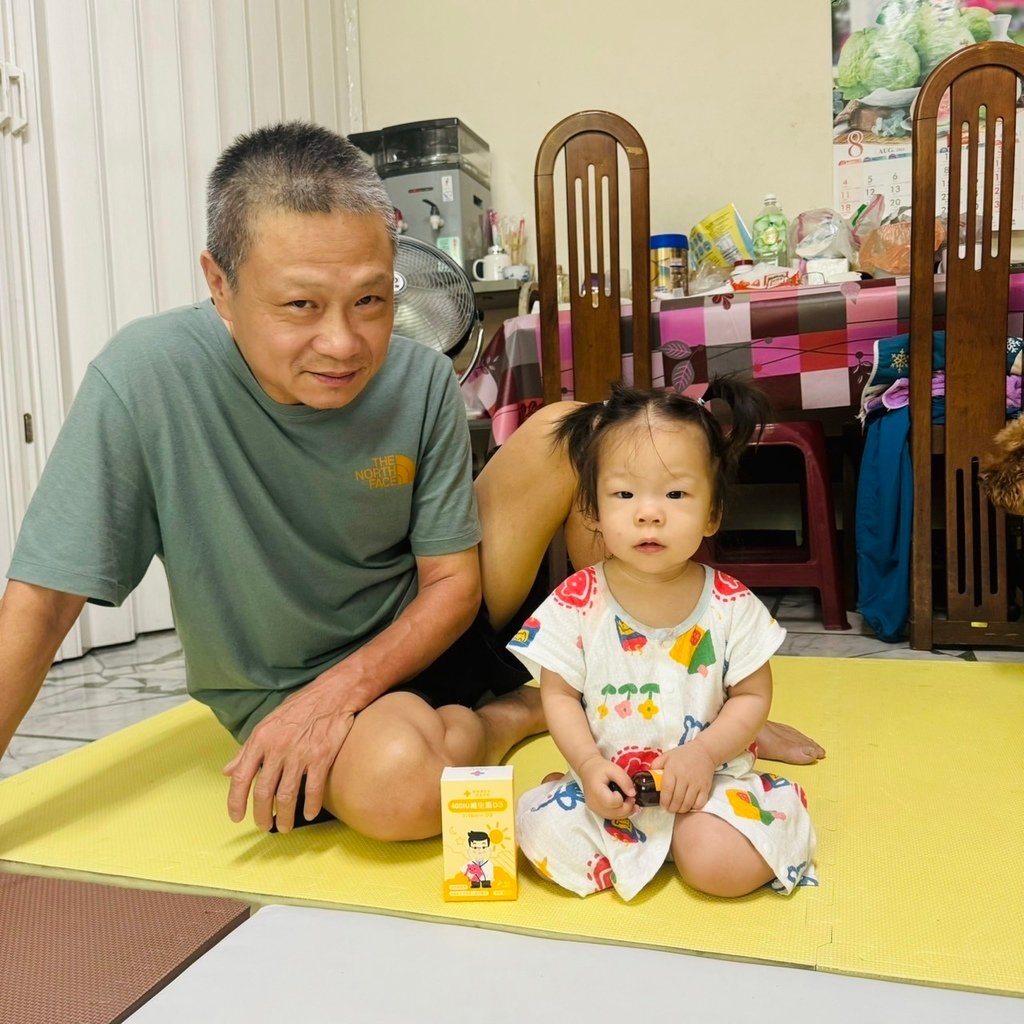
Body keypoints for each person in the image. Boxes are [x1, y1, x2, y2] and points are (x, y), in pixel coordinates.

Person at [0, 121, 823, 845]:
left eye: (369, 299)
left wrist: (699, 729)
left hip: (427, 636)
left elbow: (452, 587)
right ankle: (517, 715)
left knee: (566, 432)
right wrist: (325, 703)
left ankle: (629, 694)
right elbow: (40, 604)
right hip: (286, 689)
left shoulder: (419, 376)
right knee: (399, 791)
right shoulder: (145, 378)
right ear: (219, 286)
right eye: (299, 306)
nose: (343, 342)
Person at [507, 381, 818, 900]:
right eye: (624, 494)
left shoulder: (731, 604)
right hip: (609, 785)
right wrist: (585, 767)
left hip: (710, 785)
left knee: (719, 869)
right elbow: (558, 694)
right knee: (539, 836)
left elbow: (753, 696)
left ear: (713, 511)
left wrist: (703, 753)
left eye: (675, 494)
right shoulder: (575, 599)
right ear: (593, 509)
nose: (649, 512)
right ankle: (589, 813)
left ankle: (710, 837)